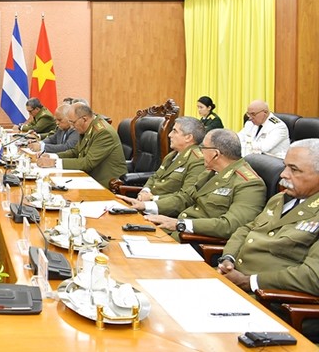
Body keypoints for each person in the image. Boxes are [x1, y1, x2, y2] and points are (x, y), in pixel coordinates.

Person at [118, 129, 266, 241]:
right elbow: (184, 198)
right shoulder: (210, 173)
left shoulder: (250, 184)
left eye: (203, 148)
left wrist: (179, 224)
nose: (200, 153)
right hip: (178, 231)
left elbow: (230, 226)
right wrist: (146, 206)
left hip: (196, 240)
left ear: (215, 153)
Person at [218, 139, 319, 296]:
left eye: (294, 169)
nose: (283, 174)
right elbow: (247, 229)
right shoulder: (281, 198)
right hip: (233, 280)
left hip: (268, 298)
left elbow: (312, 277)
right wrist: (228, 258)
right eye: (285, 166)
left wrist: (249, 281)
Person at [53, 103, 127, 187]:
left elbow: (88, 163)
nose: (72, 127)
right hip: (88, 178)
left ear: (84, 119)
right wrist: (53, 157)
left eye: (73, 122)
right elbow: (76, 151)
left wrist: (55, 163)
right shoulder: (87, 128)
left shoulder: (103, 132)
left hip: (107, 184)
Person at [137, 116, 206, 202]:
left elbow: (186, 196)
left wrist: (152, 198)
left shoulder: (197, 161)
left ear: (188, 137)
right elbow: (155, 177)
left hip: (165, 210)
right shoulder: (172, 155)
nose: (169, 135)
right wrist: (145, 191)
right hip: (148, 204)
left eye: (174, 131)